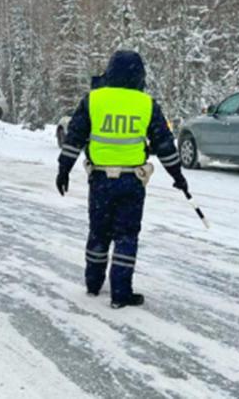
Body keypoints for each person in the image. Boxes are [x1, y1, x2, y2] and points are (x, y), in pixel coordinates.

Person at [56, 50, 188, 309]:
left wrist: (64, 169)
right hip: (132, 181)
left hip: (100, 179)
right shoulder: (146, 104)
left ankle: (93, 284)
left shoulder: (93, 100)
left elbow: (75, 137)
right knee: (126, 235)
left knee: (98, 232)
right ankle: (120, 292)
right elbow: (164, 145)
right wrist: (178, 176)